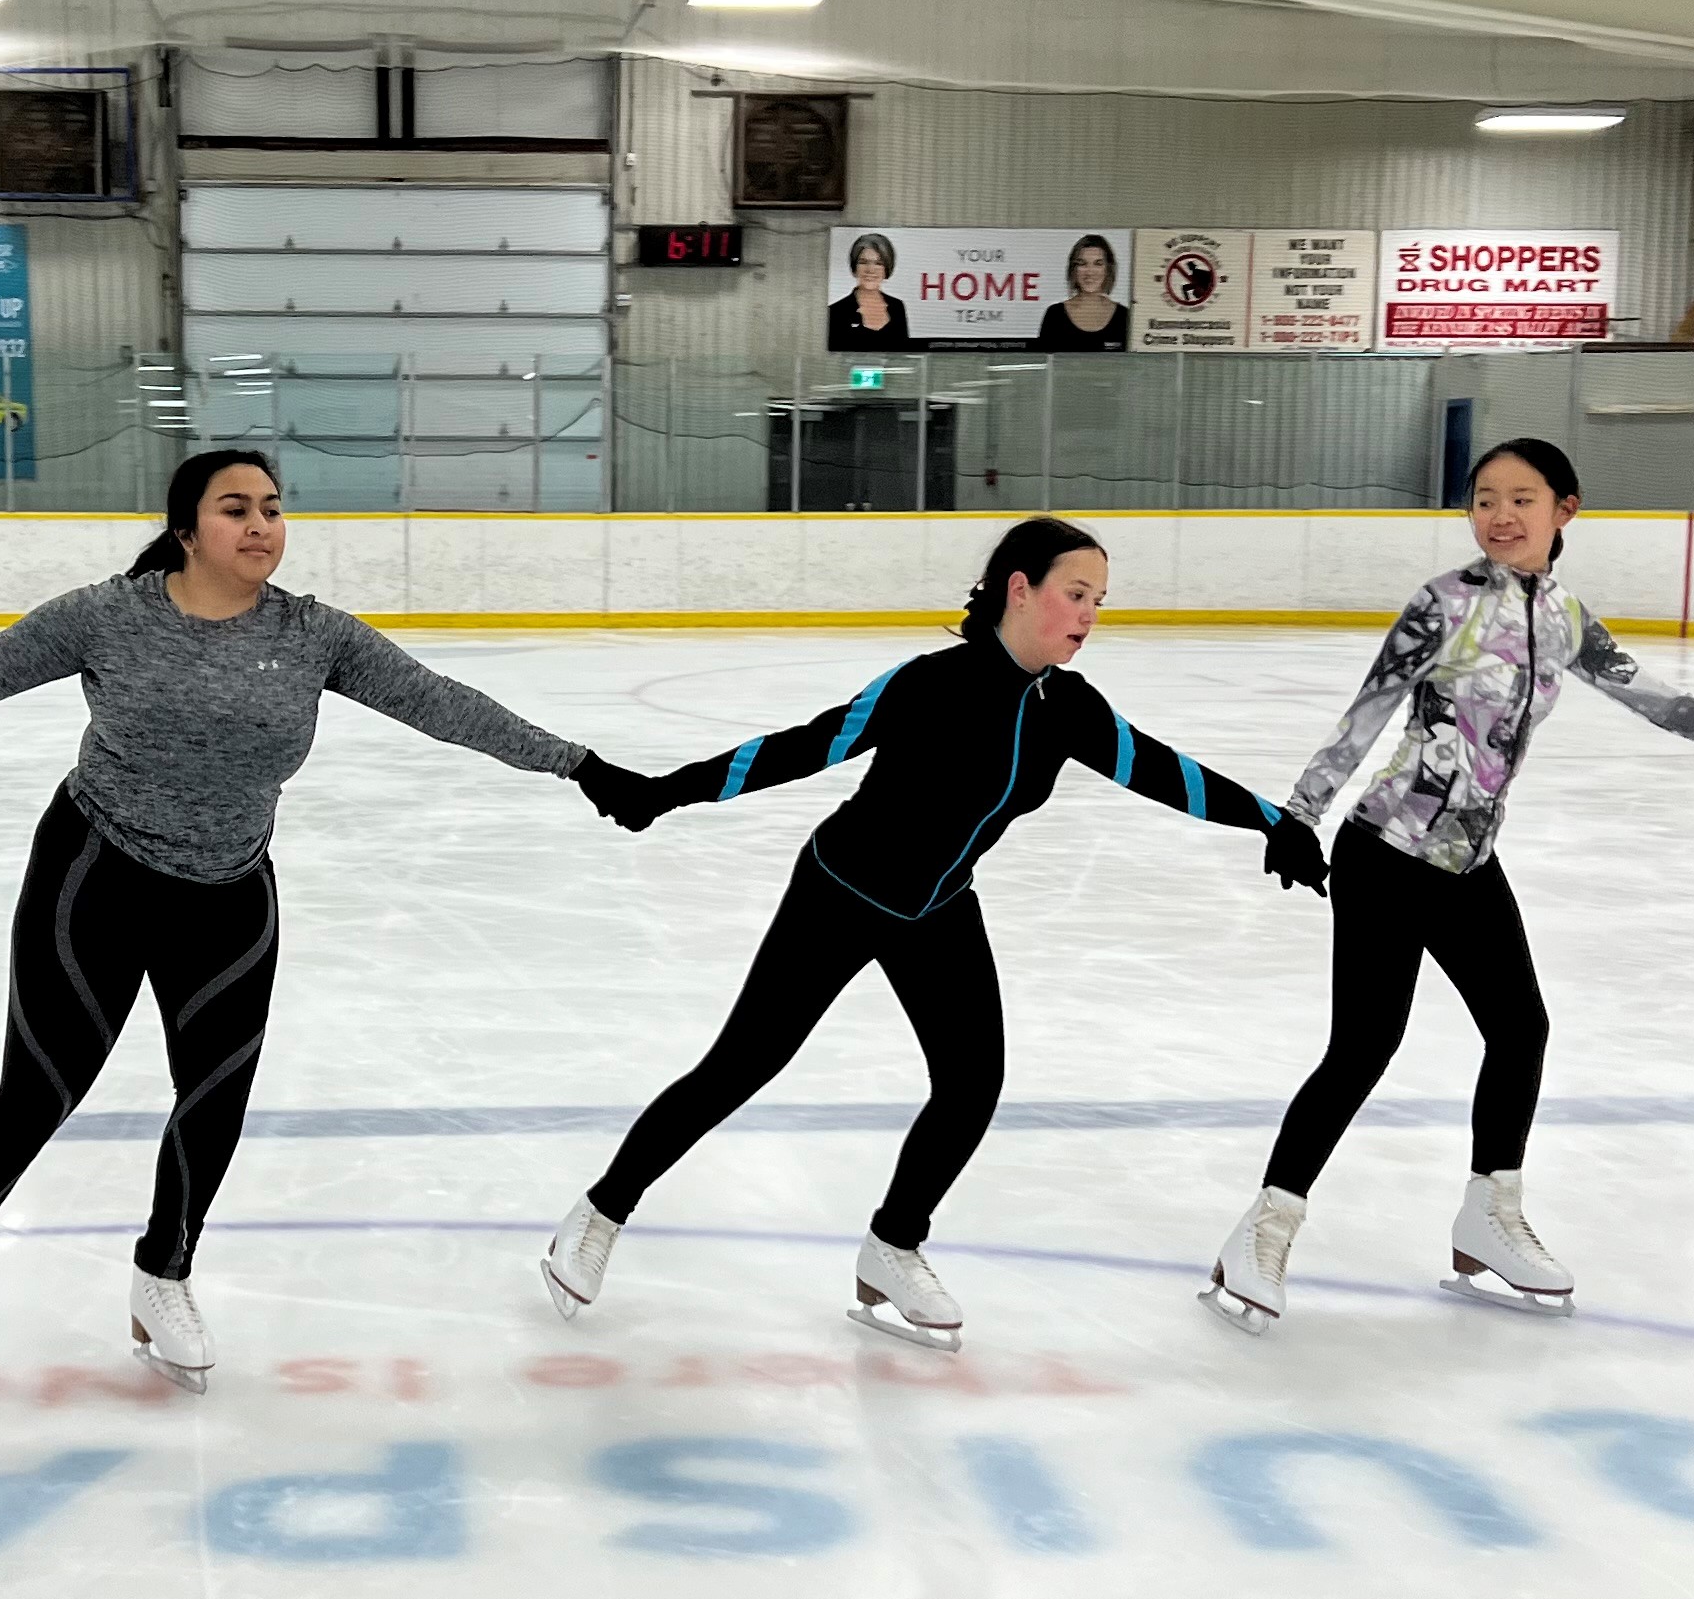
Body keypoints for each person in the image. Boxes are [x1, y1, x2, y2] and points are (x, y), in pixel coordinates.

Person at [0, 451, 647, 1405]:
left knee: (214, 1098)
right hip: (95, 873)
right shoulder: (111, 615)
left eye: (271, 508)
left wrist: (579, 765)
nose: (261, 525)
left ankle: (163, 1275)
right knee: (42, 1090)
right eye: (236, 509)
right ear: (187, 530)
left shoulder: (314, 634)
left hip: (229, 890)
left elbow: (442, 704)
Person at [546, 515, 1323, 1348]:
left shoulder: (1070, 709)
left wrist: (1271, 821)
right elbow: (807, 745)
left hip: (940, 907)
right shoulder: (930, 682)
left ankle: (893, 1244)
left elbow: (1163, 768)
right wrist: (665, 793)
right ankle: (597, 1215)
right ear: (1019, 589)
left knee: (971, 1081)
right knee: (741, 1066)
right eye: (1075, 594)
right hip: (841, 891)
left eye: (1098, 599)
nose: (1090, 614)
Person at [1204, 439, 1694, 1329]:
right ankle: (1264, 1226)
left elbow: (1657, 699)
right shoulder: (1444, 604)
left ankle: (1490, 1212)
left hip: (1469, 864)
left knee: (1520, 1030)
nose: (1501, 516)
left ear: (1567, 508)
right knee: (1366, 1046)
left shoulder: (1563, 616)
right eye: (1486, 498)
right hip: (1387, 850)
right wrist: (1300, 814)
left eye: (1523, 498)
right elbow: (1368, 709)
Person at [1033, 233, 1131, 350]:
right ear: (1073, 269)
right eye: (1082, 264)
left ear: (1108, 269)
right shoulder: (1055, 315)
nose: (1089, 272)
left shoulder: (1125, 317)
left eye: (1098, 264)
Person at [828, 233, 916, 349]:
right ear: (855, 267)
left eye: (878, 263)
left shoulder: (897, 307)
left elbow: (905, 354)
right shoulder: (836, 311)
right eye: (863, 262)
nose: (870, 270)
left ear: (887, 269)